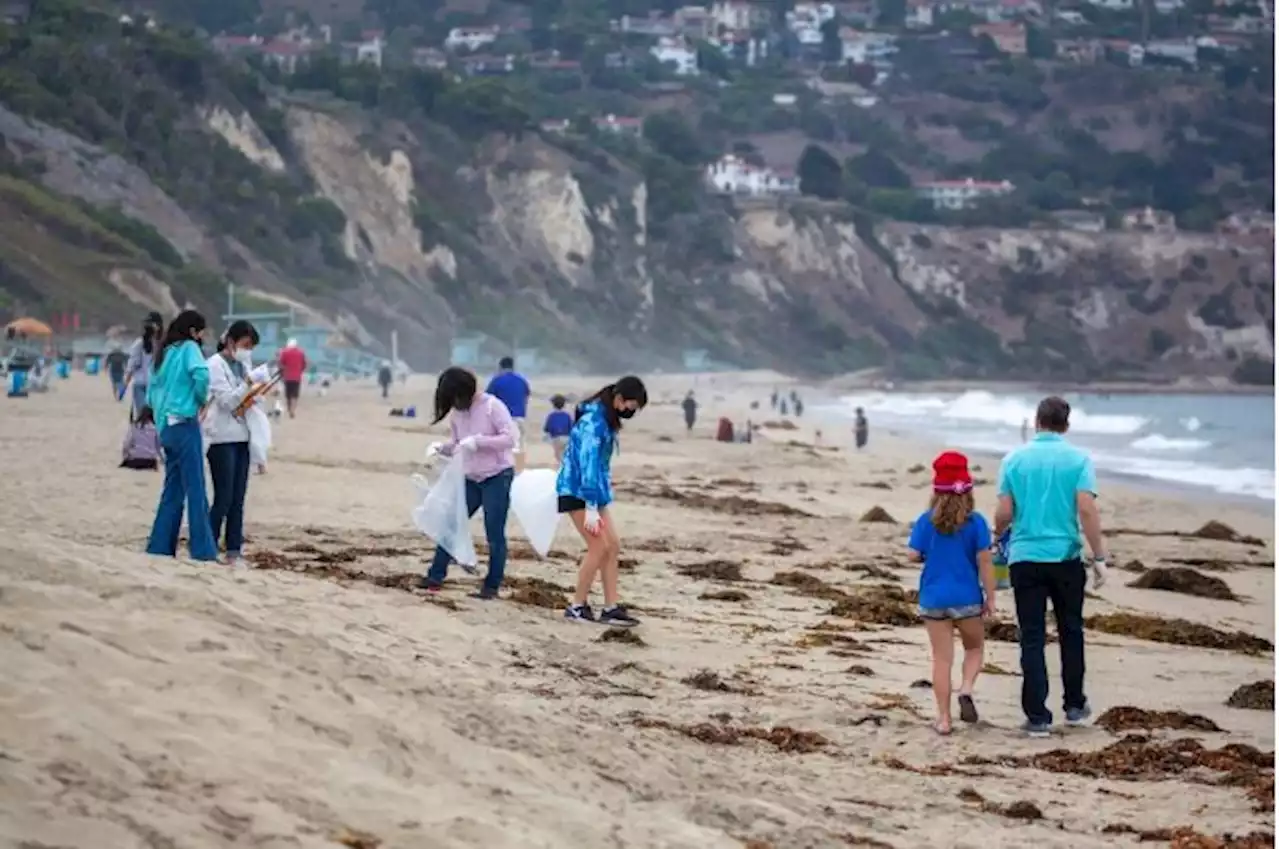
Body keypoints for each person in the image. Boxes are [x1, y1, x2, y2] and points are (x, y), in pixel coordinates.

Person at [994, 396, 1108, 738]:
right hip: (1065, 557)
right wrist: (1099, 557)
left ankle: (1038, 717)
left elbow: (1003, 512)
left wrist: (998, 537)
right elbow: (1086, 509)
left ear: (1037, 421)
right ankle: (1074, 705)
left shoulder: (1014, 459)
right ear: (1066, 425)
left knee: (1031, 636)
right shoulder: (1079, 459)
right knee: (1071, 630)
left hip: (1025, 558)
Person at [908, 451, 996, 736]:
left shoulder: (926, 521)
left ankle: (944, 719)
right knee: (974, 648)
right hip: (967, 598)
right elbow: (985, 561)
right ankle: (967, 688)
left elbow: (912, 554)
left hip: (934, 599)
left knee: (942, 659)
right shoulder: (977, 522)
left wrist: (926, 556)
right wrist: (991, 596)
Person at [417, 367, 517, 600]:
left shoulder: (493, 407)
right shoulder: (457, 414)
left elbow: (510, 438)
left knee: (494, 532)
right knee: (451, 524)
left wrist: (479, 442)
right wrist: (442, 448)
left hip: (497, 476)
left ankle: (491, 586)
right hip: (470, 477)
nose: (454, 404)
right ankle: (435, 575)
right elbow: (458, 443)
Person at [558, 376, 648, 628]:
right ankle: (577, 605)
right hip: (576, 491)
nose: (632, 411)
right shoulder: (592, 423)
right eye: (632, 406)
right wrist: (590, 507)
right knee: (598, 546)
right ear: (620, 400)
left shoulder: (606, 419)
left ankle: (611, 607)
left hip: (594, 494)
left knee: (613, 546)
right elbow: (587, 466)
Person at [145, 310, 217, 562]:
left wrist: (160, 416)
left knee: (172, 490)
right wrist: (200, 400)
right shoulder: (189, 348)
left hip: (166, 428)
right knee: (196, 489)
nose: (202, 337)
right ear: (193, 331)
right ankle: (203, 550)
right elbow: (202, 374)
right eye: (201, 332)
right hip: (185, 423)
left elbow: (151, 390)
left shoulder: (163, 352)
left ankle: (159, 546)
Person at [204, 321, 261, 568]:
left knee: (238, 498)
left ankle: (234, 550)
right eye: (245, 345)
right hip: (221, 438)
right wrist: (248, 385)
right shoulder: (215, 365)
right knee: (223, 497)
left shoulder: (243, 365)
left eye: (250, 347)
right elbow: (226, 400)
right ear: (230, 342)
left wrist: (256, 392)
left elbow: (246, 398)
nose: (247, 351)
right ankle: (208, 545)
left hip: (242, 436)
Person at [486, 356, 531, 472]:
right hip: (520, 417)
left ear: (500, 367)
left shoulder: (496, 381)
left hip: (503, 419)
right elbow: (526, 397)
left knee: (504, 448)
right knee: (520, 446)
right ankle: (519, 471)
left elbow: (488, 400)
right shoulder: (522, 380)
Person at [123, 312, 162, 419]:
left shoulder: (162, 344)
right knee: (142, 415)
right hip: (142, 384)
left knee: (156, 417)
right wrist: (126, 382)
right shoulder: (140, 343)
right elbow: (132, 364)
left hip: (157, 385)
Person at [120, 406, 162, 471]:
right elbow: (158, 447)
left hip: (134, 459)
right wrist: (161, 459)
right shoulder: (155, 429)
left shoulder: (134, 427)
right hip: (150, 461)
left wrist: (125, 456)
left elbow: (127, 444)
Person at [277, 338, 307, 419]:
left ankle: (289, 408)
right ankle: (292, 410)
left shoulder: (284, 352)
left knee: (288, 394)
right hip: (297, 377)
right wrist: (300, 370)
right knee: (295, 395)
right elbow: (304, 364)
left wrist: (282, 371)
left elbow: (280, 363)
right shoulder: (301, 353)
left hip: (287, 376)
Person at [543, 394, 573, 464]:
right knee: (565, 454)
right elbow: (571, 427)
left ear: (553, 405)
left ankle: (561, 466)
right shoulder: (567, 415)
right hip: (566, 438)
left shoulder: (551, 416)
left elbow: (547, 429)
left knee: (558, 455)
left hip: (556, 439)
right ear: (564, 405)